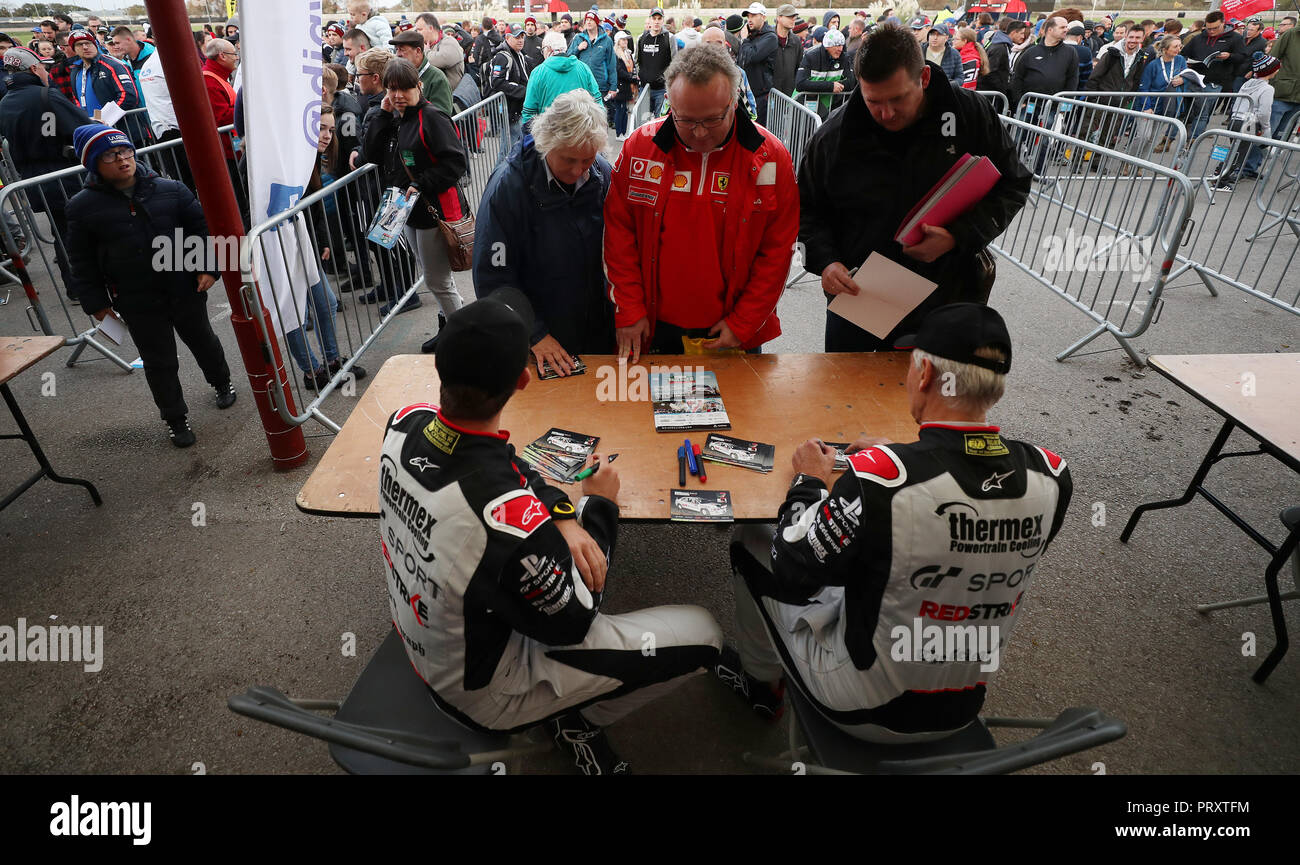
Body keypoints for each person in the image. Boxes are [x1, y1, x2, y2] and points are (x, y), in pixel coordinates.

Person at [380, 287, 722, 774]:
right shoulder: (504, 519)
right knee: (706, 635)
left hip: (430, 639)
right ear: (524, 380)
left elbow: (502, 458)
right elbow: (577, 617)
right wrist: (600, 505)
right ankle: (575, 718)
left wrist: (562, 512)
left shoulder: (404, 422)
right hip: (480, 693)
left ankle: (567, 704)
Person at [719, 304, 1073, 743]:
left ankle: (760, 685)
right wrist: (906, 453)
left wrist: (809, 480)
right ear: (994, 389)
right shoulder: (1052, 475)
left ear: (924, 373)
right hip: (961, 708)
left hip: (863, 709)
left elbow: (792, 570)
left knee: (752, 540)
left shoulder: (880, 480)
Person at [800, 24, 1031, 352]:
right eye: (873, 101)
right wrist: (826, 262)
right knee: (852, 399)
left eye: (898, 99)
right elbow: (806, 207)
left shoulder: (970, 114)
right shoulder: (835, 136)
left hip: (949, 290)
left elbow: (1015, 182)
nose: (887, 113)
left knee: (938, 398)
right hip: (864, 295)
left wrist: (958, 236)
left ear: (923, 78)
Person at [605, 43, 797, 361]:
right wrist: (628, 308)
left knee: (741, 412)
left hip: (731, 330)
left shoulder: (771, 158)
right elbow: (618, 236)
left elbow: (777, 251)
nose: (698, 133)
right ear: (669, 103)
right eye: (685, 119)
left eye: (711, 120)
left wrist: (744, 322)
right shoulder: (639, 148)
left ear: (734, 102)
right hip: (652, 326)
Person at [68, 123, 237, 448]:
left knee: (203, 340)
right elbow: (81, 260)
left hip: (184, 286)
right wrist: (97, 304)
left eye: (125, 151)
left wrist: (208, 268)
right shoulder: (82, 208)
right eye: (110, 155)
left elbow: (200, 229)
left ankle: (222, 382)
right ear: (93, 165)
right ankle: (175, 418)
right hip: (135, 297)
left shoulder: (170, 189)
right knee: (159, 361)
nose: (122, 159)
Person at [473, 92, 614, 376]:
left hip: (596, 326)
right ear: (546, 143)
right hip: (542, 331)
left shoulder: (601, 174)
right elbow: (494, 276)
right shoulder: (508, 188)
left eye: (587, 159)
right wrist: (533, 334)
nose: (577, 170)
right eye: (568, 159)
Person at [359, 58, 467, 343]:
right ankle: (450, 330)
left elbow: (456, 163)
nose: (397, 95)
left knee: (437, 281)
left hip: (433, 211)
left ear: (419, 86)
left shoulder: (432, 117)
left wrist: (421, 183)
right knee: (436, 277)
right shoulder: (394, 116)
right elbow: (370, 155)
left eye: (404, 89)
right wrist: (382, 115)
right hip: (406, 211)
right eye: (392, 89)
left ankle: (466, 338)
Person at [0, 46, 89, 300]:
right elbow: (80, 126)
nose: (47, 72)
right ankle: (86, 286)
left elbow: (45, 130)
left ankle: (76, 287)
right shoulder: (45, 96)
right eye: (43, 67)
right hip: (63, 176)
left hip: (33, 179)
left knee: (61, 231)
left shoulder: (5, 103)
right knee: (79, 231)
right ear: (33, 69)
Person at [295, 106, 368, 390]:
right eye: (321, 128)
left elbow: (313, 205)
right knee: (296, 315)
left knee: (326, 303)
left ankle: (331, 362)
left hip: (307, 243)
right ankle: (313, 371)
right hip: (281, 246)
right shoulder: (289, 160)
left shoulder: (312, 157)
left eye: (331, 130)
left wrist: (322, 239)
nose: (326, 136)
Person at [1218, 52, 1282, 188]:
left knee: (1234, 149)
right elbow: (1265, 111)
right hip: (1249, 122)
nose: (1277, 71)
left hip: (1236, 119)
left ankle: (1221, 174)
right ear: (1270, 70)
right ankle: (1221, 179)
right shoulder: (1268, 88)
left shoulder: (1247, 84)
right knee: (1240, 153)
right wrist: (1265, 127)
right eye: (1276, 68)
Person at [1182, 11, 1248, 140]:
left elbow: (1243, 57)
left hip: (1214, 82)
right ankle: (1185, 134)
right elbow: (1184, 53)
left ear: (1223, 24)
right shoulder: (1199, 37)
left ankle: (1193, 141)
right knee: (1189, 111)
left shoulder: (1235, 38)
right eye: (1208, 28)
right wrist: (1187, 63)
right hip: (1195, 79)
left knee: (1202, 113)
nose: (1211, 31)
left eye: (1215, 28)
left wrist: (1229, 56)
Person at [521, 31, 602, 126]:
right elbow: (597, 101)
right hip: (581, 132)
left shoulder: (538, 72)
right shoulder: (583, 68)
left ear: (548, 49)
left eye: (543, 50)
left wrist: (530, 136)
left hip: (549, 133)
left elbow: (529, 110)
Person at [65, 29, 140, 116]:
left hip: (119, 125)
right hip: (93, 126)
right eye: (79, 45)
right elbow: (77, 99)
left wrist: (101, 117)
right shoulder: (75, 71)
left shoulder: (113, 65)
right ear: (74, 49)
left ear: (95, 45)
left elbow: (128, 97)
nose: (85, 47)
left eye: (88, 43)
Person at [1010, 16, 1077, 108]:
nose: (1066, 30)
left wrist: (1065, 104)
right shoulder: (1030, 51)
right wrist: (1019, 101)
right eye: (1062, 27)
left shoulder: (1070, 52)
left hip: (1054, 106)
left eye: (1066, 27)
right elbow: (1018, 77)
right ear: (1050, 30)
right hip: (1029, 105)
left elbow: (1072, 79)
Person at [1139, 34, 1188, 153]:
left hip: (1166, 106)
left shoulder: (1180, 60)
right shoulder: (1153, 65)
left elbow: (1187, 75)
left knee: (1152, 139)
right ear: (1165, 49)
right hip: (1150, 105)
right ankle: (1127, 162)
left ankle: (1139, 166)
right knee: (1143, 137)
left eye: (1180, 46)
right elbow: (1144, 87)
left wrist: (1183, 80)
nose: (1178, 49)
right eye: (1175, 46)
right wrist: (1147, 107)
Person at [390, 28, 452, 116]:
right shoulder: (399, 75)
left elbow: (442, 115)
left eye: (402, 50)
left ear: (418, 51)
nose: (398, 54)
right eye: (397, 49)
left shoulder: (437, 78)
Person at [796, 28, 854, 119]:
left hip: (829, 105)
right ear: (827, 46)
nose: (840, 49)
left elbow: (851, 83)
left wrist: (830, 86)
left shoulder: (844, 57)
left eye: (841, 45)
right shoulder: (811, 56)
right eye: (836, 45)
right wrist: (830, 86)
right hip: (803, 103)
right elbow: (800, 84)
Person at [569, 10, 617, 117]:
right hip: (581, 85)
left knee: (600, 118)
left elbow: (612, 65)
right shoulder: (578, 38)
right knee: (582, 119)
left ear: (597, 22)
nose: (589, 22)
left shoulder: (606, 40)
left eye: (591, 20)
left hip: (601, 86)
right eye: (587, 20)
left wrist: (613, 87)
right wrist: (578, 48)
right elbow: (569, 58)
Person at [490, 24, 531, 149]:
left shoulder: (520, 55)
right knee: (508, 152)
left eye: (522, 36)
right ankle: (500, 169)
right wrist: (524, 91)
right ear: (507, 38)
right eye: (516, 37)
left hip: (519, 110)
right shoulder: (502, 56)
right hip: (510, 112)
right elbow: (496, 82)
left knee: (516, 150)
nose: (520, 40)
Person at [737, 2, 779, 125]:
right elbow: (742, 59)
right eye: (748, 16)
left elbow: (752, 57)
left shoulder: (770, 37)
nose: (750, 20)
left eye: (754, 16)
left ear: (763, 17)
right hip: (746, 92)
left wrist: (744, 40)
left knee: (757, 130)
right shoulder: (752, 35)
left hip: (760, 95)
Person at [636, 8, 676, 117]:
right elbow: (636, 61)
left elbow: (675, 62)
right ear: (650, 20)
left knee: (660, 122)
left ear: (663, 20)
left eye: (659, 18)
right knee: (644, 121)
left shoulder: (670, 38)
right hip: (644, 89)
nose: (657, 21)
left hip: (662, 90)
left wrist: (666, 78)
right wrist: (642, 75)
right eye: (654, 18)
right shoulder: (641, 38)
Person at [414, 12, 464, 92]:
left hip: (450, 97)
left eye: (420, 30)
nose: (418, 33)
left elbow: (443, 60)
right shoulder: (427, 44)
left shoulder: (449, 41)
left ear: (431, 28)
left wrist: (426, 52)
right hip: (435, 93)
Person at [982, 18, 1024, 101]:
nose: (1023, 36)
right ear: (1013, 32)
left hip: (994, 93)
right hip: (990, 94)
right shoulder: (1000, 48)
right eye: (1021, 33)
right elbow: (990, 72)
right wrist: (1002, 89)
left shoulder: (1003, 45)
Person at [771, 4, 802, 97]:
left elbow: (799, 68)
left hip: (790, 96)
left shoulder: (796, 41)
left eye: (794, 16)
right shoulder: (768, 39)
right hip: (770, 96)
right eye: (789, 16)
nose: (793, 19)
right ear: (779, 18)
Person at [611, 31, 636, 138]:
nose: (626, 41)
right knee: (620, 110)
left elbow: (632, 67)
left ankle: (624, 132)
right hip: (620, 86)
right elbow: (619, 71)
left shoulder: (627, 53)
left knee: (624, 110)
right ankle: (619, 133)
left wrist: (633, 76)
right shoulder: (615, 54)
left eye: (626, 39)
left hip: (627, 86)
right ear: (618, 41)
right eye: (623, 39)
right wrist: (631, 77)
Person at [1063, 22, 1092, 89]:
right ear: (1079, 38)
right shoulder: (1085, 51)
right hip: (1073, 92)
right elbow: (1085, 77)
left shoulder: (1056, 47)